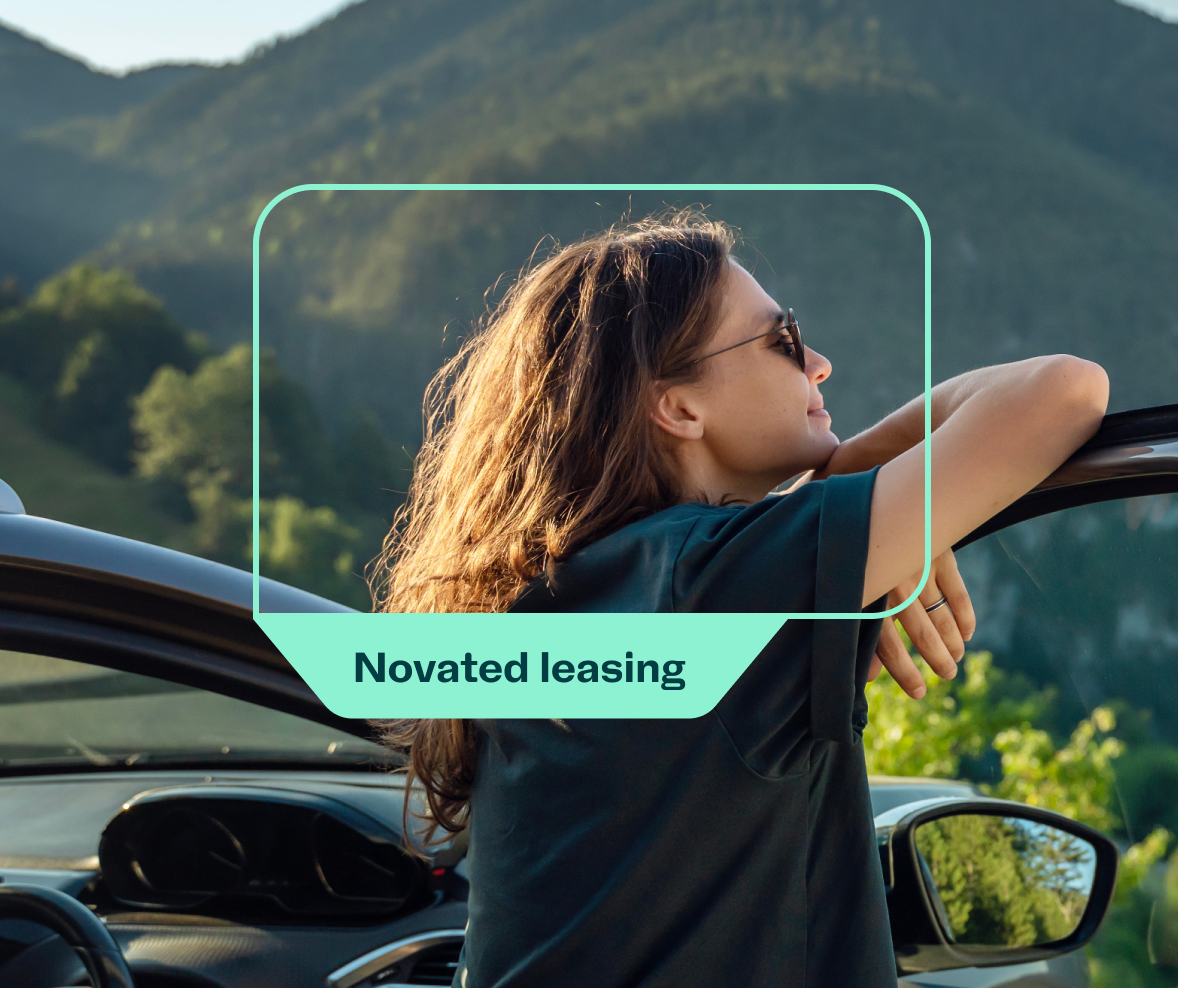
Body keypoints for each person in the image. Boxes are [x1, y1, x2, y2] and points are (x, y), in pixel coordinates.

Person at [373, 212, 1110, 987]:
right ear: (679, 408)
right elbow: (1063, 391)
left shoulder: (566, 592)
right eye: (783, 341)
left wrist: (856, 506)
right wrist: (851, 483)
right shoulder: (712, 582)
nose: (819, 364)